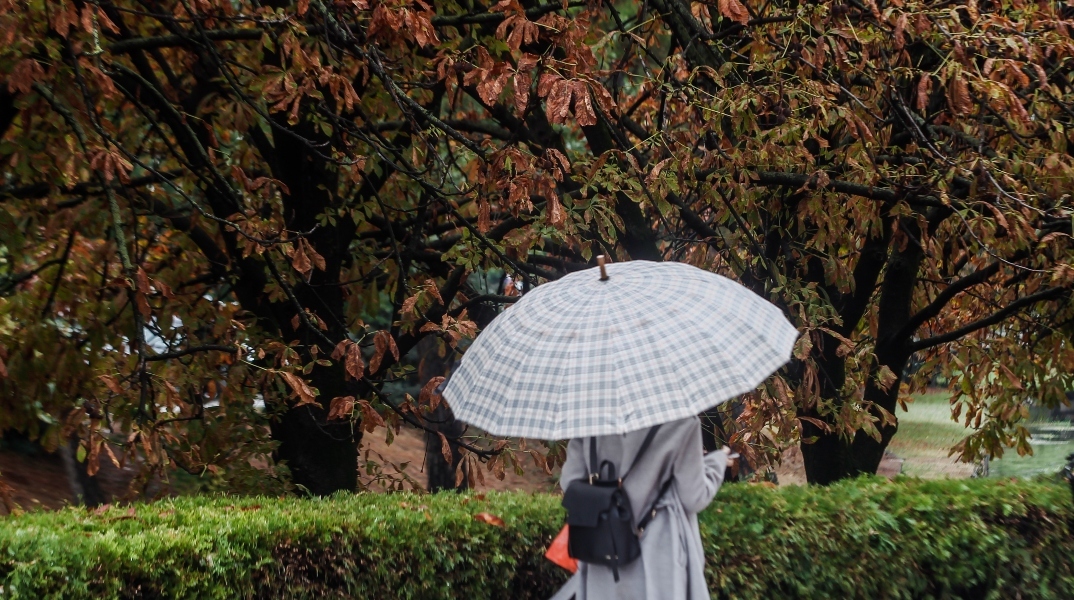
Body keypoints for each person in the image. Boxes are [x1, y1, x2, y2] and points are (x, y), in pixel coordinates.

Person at [551, 416, 732, 600]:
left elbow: (570, 482)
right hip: (660, 550)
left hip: (604, 549)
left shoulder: (590, 419)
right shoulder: (681, 421)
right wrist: (716, 462)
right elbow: (694, 497)